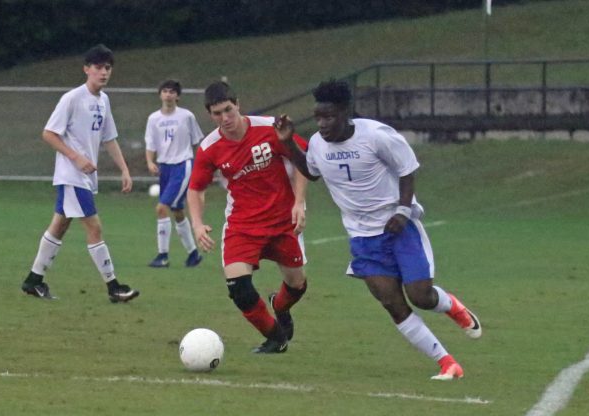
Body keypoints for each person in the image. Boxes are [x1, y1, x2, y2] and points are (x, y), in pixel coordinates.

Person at [277, 79, 481, 380]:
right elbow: (311, 171)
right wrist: (287, 142)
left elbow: (407, 168)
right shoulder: (319, 144)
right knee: (392, 302)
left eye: (329, 116)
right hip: (362, 238)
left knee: (420, 296)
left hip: (399, 228)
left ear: (345, 112)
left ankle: (453, 307)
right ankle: (447, 363)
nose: (322, 124)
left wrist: (402, 210)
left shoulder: (376, 135)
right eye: (318, 117)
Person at [187, 82, 309, 354]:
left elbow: (303, 160)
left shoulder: (269, 128)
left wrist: (299, 202)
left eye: (228, 110)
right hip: (242, 226)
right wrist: (197, 223)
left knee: (297, 285)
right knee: (239, 288)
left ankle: (279, 306)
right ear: (210, 115)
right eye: (217, 114)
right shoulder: (210, 148)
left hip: (282, 223)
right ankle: (276, 338)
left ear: (238, 104)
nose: (225, 118)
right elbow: (195, 189)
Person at [21, 44, 140, 303]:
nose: (104, 73)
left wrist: (124, 170)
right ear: (86, 69)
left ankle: (33, 281)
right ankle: (114, 288)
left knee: (59, 226)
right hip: (71, 175)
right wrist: (76, 157)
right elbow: (49, 134)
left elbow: (109, 138)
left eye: (108, 68)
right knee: (94, 227)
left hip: (84, 177)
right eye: (98, 67)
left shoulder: (104, 100)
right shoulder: (72, 98)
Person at [144, 79, 205, 268]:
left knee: (161, 208)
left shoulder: (186, 116)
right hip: (165, 168)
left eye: (172, 92)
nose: (168, 94)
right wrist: (150, 162)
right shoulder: (153, 119)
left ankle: (162, 256)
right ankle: (193, 254)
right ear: (160, 94)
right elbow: (150, 143)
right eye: (165, 91)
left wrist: (203, 166)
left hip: (183, 166)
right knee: (177, 211)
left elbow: (198, 141)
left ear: (177, 96)